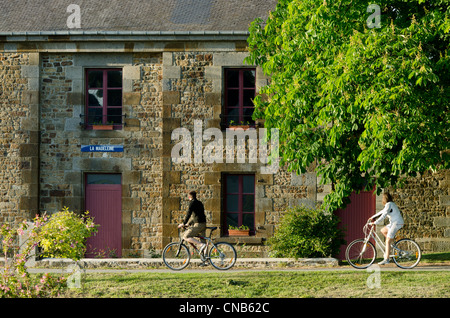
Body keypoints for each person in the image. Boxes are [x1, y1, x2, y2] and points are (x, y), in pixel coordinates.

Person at [370, 192, 404, 265]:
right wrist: (373, 217)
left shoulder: (389, 204)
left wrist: (375, 222)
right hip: (393, 223)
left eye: (383, 198)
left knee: (387, 241)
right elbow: (382, 212)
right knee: (383, 230)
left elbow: (384, 215)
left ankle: (386, 259)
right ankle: (392, 246)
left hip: (397, 223)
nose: (382, 199)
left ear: (385, 198)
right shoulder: (389, 205)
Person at [178, 191, 207, 256]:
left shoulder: (192, 203)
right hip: (203, 223)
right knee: (203, 240)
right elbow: (196, 215)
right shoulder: (199, 203)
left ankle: (201, 245)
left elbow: (189, 213)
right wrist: (189, 223)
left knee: (186, 236)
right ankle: (206, 260)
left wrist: (183, 223)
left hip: (198, 224)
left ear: (189, 197)